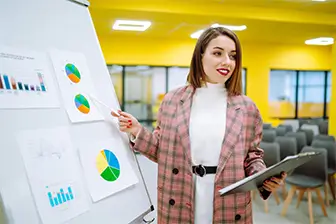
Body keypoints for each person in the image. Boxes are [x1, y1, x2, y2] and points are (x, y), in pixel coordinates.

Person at [112, 26, 286, 224]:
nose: (227, 61)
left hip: (228, 198)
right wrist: (137, 131)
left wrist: (262, 176)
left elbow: (252, 156)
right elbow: (162, 150)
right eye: (217, 53)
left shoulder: (247, 108)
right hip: (180, 193)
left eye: (233, 55)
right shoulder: (173, 100)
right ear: (200, 55)